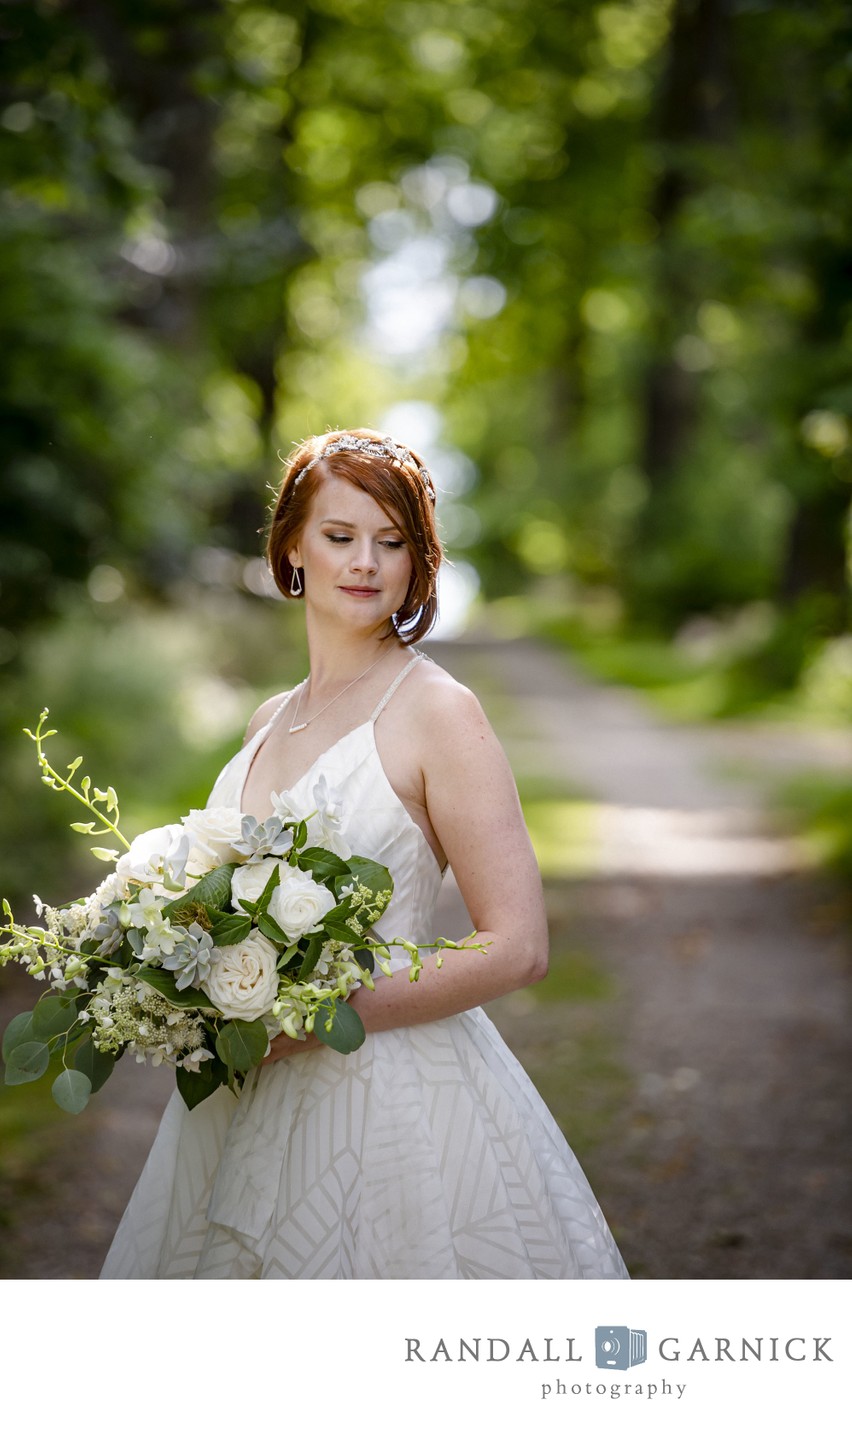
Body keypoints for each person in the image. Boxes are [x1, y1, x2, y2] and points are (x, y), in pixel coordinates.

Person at [100, 428, 628, 1280]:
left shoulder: (439, 712)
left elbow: (519, 944)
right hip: (244, 1098)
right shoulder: (267, 719)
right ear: (293, 548)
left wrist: (312, 1013)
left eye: (393, 543)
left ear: (420, 564)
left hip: (392, 1096)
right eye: (341, 536)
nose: (366, 563)